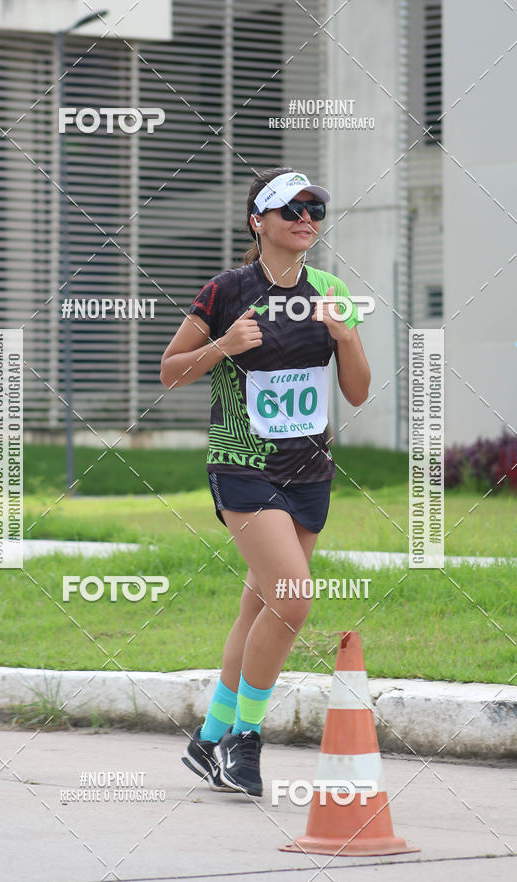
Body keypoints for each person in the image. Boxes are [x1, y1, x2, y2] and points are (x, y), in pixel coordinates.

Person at [160, 167, 371, 797]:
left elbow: (356, 392)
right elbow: (171, 371)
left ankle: (209, 740)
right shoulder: (226, 290)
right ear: (259, 221)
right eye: (291, 210)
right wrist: (224, 345)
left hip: (309, 469)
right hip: (242, 464)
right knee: (293, 596)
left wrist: (346, 335)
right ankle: (244, 742)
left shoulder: (330, 288)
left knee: (261, 606)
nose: (306, 219)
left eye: (315, 210)